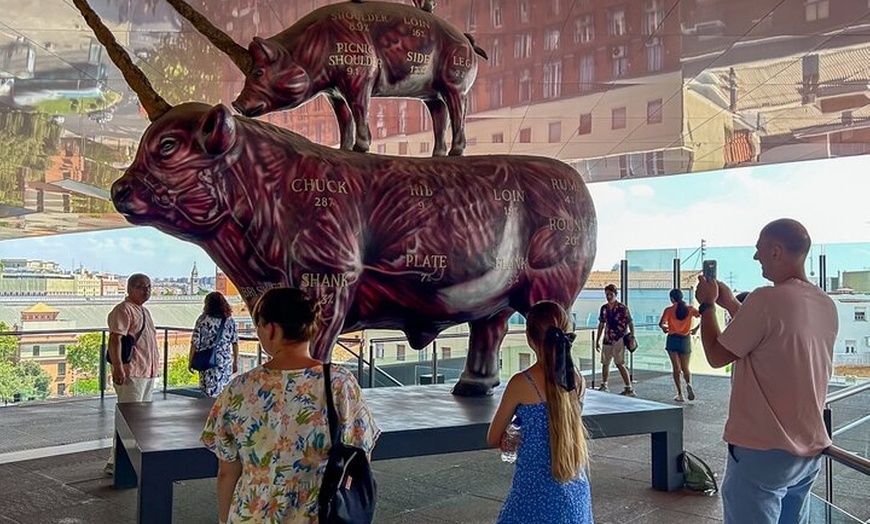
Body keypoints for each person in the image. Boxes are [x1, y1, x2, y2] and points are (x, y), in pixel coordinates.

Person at [696, 218, 838, 524]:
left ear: (776, 251)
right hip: (808, 449)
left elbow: (716, 355)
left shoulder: (765, 298)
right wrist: (733, 304)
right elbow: (773, 339)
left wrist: (707, 306)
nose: (755, 257)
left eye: (759, 249)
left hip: (762, 450)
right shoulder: (825, 304)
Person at [201, 287, 380, 524]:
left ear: (271, 328)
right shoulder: (339, 383)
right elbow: (360, 454)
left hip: (252, 514)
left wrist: (225, 519)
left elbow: (227, 469)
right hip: (317, 514)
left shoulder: (239, 388)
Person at [487, 301, 593, 524]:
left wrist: (517, 433)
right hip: (575, 493)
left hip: (532, 495)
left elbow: (492, 437)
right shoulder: (577, 380)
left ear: (530, 339)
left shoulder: (521, 383)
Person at [105, 273, 159, 475]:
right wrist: (118, 366)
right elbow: (115, 339)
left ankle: (131, 461)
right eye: (141, 286)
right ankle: (116, 461)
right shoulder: (124, 310)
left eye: (149, 286)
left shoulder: (144, 312)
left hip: (146, 372)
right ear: (129, 289)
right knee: (128, 420)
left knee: (141, 420)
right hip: (132, 373)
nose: (146, 290)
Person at [188, 291, 239, 397]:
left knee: (208, 392)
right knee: (223, 392)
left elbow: (195, 343)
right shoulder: (229, 320)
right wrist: (235, 362)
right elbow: (235, 342)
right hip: (224, 361)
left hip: (207, 360)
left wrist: (191, 361)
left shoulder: (203, 320)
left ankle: (209, 411)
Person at [658, 288, 700, 402]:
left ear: (672, 299)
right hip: (685, 340)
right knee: (685, 367)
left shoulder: (669, 310)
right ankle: (688, 384)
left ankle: (680, 394)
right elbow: (703, 316)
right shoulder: (690, 309)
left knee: (676, 368)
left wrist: (664, 328)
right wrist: (696, 328)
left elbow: (661, 323)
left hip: (673, 339)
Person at [595, 283, 636, 396]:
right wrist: (598, 339)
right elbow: (601, 324)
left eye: (610, 294)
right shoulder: (604, 308)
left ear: (615, 294)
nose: (608, 296)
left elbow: (630, 322)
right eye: (607, 294)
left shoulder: (622, 308)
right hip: (608, 338)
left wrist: (632, 336)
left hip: (619, 338)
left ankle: (628, 387)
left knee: (619, 363)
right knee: (605, 362)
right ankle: (604, 384)